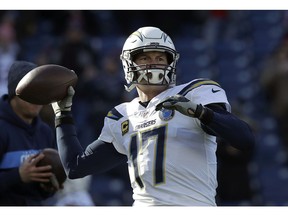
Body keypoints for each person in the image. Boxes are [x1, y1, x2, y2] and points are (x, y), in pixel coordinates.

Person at [52, 26, 255, 206]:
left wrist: (201, 113)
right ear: (129, 64)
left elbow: (244, 138)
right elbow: (76, 167)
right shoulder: (122, 115)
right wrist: (63, 115)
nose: (154, 64)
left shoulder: (193, 93)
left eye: (160, 58)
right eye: (145, 58)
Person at [0, 60, 61, 206]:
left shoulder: (45, 131)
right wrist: (18, 175)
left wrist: (49, 187)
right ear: (15, 92)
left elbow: (40, 194)